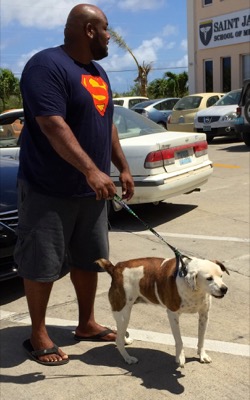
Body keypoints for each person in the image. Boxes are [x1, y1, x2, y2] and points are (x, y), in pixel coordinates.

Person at [14, 3, 134, 365]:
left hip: (91, 192)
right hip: (48, 188)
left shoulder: (98, 72)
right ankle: (38, 334)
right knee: (42, 262)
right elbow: (52, 124)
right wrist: (90, 169)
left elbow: (107, 122)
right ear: (88, 30)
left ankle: (86, 323)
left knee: (90, 260)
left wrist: (121, 167)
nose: (111, 36)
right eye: (106, 29)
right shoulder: (46, 66)